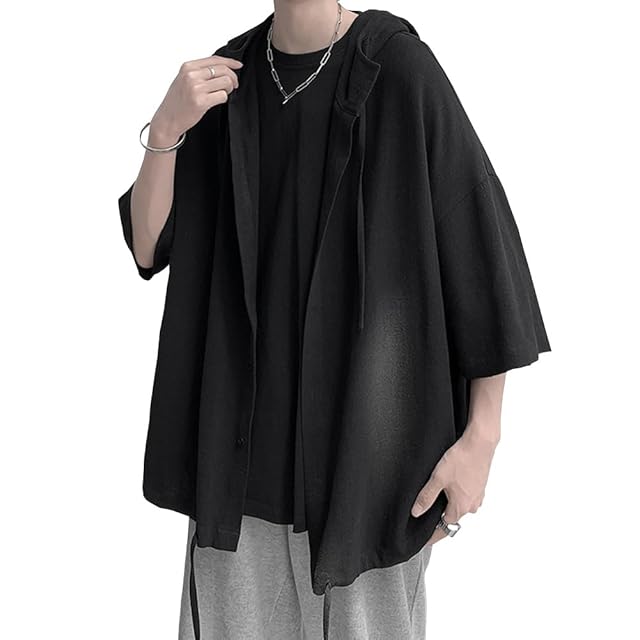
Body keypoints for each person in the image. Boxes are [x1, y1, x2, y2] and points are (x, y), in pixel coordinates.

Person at [117, 2, 551, 638]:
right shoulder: (225, 78)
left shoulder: (399, 69)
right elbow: (148, 245)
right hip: (239, 487)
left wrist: (482, 437)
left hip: (368, 483)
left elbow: (479, 246)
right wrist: (166, 128)